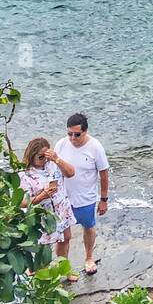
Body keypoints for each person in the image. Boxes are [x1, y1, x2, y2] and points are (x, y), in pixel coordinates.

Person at [54, 113, 110, 277]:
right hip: (64, 199)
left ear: (85, 132)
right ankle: (63, 267)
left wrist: (104, 200)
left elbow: (104, 174)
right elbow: (53, 169)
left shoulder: (95, 147)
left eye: (77, 134)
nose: (72, 138)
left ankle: (89, 258)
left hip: (86, 198)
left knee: (88, 226)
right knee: (63, 235)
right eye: (69, 134)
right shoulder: (61, 144)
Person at [18, 137, 77, 280]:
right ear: (32, 156)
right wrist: (41, 196)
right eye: (40, 157)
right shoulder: (25, 174)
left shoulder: (53, 164)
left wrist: (56, 159)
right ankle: (42, 275)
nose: (44, 159)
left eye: (46, 156)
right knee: (43, 247)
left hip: (61, 209)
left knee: (65, 239)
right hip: (42, 215)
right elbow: (22, 202)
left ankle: (64, 269)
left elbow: (71, 173)